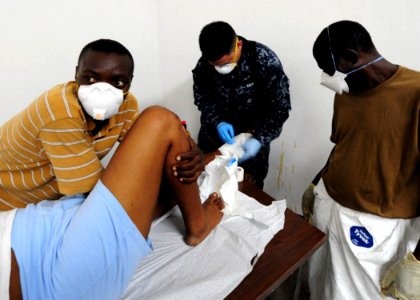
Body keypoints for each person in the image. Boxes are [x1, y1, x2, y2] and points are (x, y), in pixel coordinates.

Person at [3, 105, 224, 299]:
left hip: (40, 230)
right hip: (49, 277)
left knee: (153, 182)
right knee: (161, 121)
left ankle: (209, 158)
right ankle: (199, 225)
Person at [0, 39, 203, 211]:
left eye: (118, 82)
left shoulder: (126, 104)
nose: (102, 92)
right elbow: (101, 200)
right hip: (11, 205)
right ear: (76, 74)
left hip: (49, 199)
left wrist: (192, 151)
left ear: (129, 83)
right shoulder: (60, 112)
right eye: (90, 78)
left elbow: (149, 149)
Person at [305, 20, 420, 299]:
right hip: (329, 208)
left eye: (329, 69)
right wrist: (316, 183)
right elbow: (344, 143)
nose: (327, 78)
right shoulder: (346, 94)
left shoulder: (415, 94)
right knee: (321, 288)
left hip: (376, 231)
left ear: (352, 57)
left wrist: (418, 260)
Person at [192, 21, 291, 188]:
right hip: (212, 141)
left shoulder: (263, 61)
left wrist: (260, 139)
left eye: (226, 62)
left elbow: (280, 109)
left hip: (249, 147)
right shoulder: (204, 64)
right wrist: (218, 122)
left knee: (246, 193)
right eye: (215, 65)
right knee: (205, 186)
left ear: (238, 44)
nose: (221, 68)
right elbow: (202, 98)